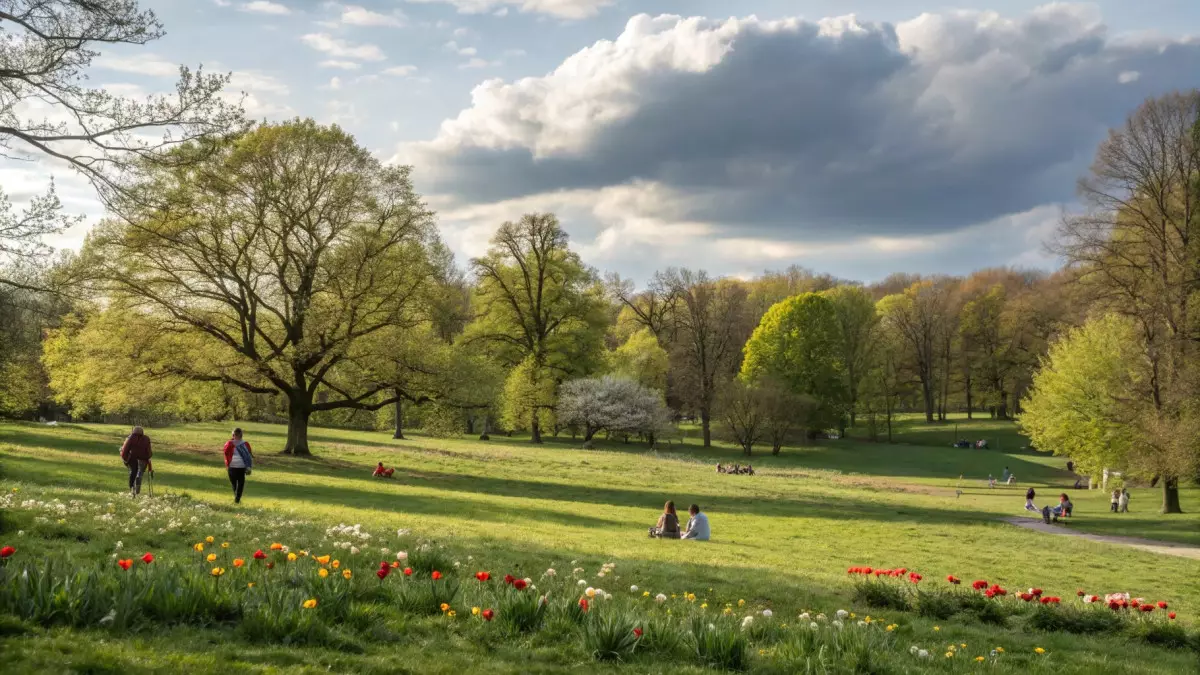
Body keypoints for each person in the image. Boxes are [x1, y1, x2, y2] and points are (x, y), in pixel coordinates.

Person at [222, 428, 254, 504]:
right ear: (241, 435)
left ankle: (237, 498)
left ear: (233, 435)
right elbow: (249, 455)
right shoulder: (245, 444)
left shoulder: (229, 443)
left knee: (234, 483)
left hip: (232, 466)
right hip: (242, 466)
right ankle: (237, 499)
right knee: (241, 483)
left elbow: (225, 452)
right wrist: (249, 466)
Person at [119, 426, 153, 498]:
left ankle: (132, 489)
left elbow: (125, 449)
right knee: (139, 474)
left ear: (133, 432)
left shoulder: (130, 438)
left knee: (133, 472)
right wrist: (148, 457)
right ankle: (137, 491)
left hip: (132, 459)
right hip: (143, 460)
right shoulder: (146, 438)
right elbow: (149, 451)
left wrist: (125, 460)